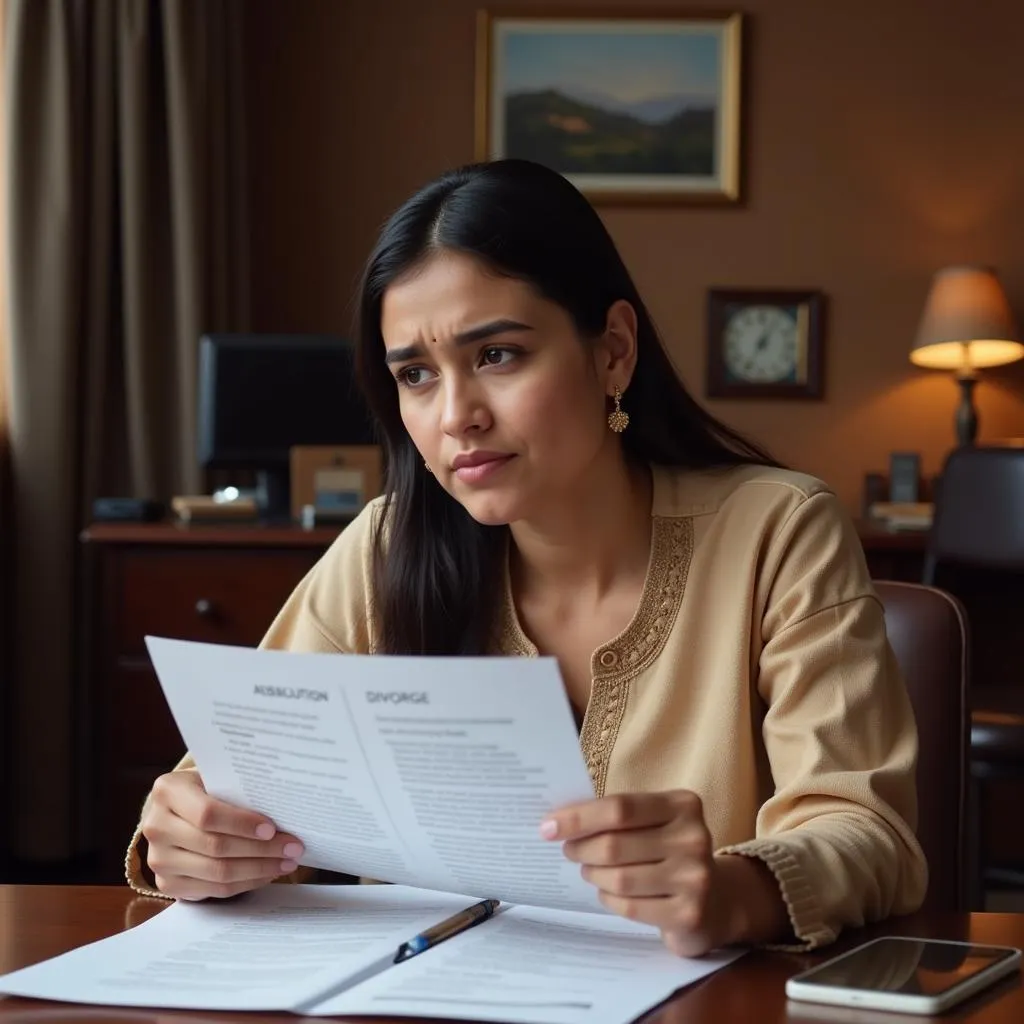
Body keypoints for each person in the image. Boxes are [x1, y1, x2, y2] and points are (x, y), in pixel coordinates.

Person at [127, 158, 927, 955]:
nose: (456, 416)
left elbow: (866, 830)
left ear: (613, 350)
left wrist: (733, 892)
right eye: (415, 375)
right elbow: (227, 792)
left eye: (497, 355)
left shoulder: (777, 531)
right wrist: (195, 837)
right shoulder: (384, 545)